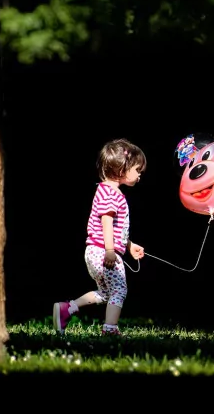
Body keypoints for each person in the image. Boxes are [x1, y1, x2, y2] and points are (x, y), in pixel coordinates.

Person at [53, 138, 146, 336]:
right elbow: (106, 222)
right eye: (138, 170)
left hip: (95, 252)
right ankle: (110, 329)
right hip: (103, 252)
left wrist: (128, 246)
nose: (140, 176)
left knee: (106, 293)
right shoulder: (112, 194)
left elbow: (115, 227)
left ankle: (66, 309)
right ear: (122, 169)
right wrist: (111, 251)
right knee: (120, 290)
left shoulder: (105, 191)